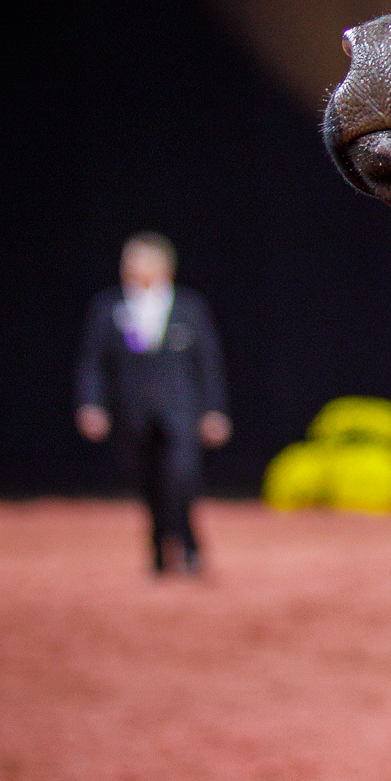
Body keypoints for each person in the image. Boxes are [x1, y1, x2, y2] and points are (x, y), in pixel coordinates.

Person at [76, 232, 231, 574]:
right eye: (129, 261)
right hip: (132, 414)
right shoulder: (108, 308)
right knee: (147, 482)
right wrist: (91, 405)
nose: (133, 268)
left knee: (181, 477)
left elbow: (208, 363)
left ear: (165, 267)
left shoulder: (189, 307)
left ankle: (188, 545)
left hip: (181, 412)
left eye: (142, 261)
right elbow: (93, 363)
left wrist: (214, 410)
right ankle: (160, 546)